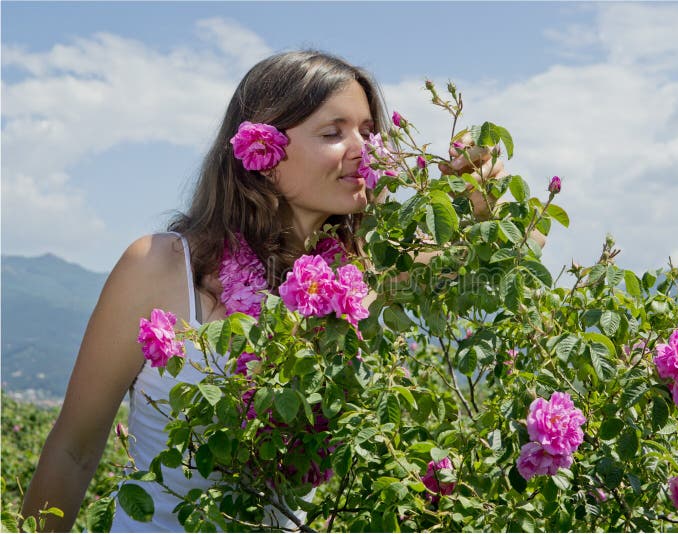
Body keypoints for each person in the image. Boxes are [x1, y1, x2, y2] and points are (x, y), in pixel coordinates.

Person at [21, 50, 533, 532]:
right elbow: (74, 450)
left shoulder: (371, 274)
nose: (364, 150)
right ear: (262, 149)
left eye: (370, 132)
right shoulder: (159, 266)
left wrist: (485, 196)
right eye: (334, 131)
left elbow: (517, 246)